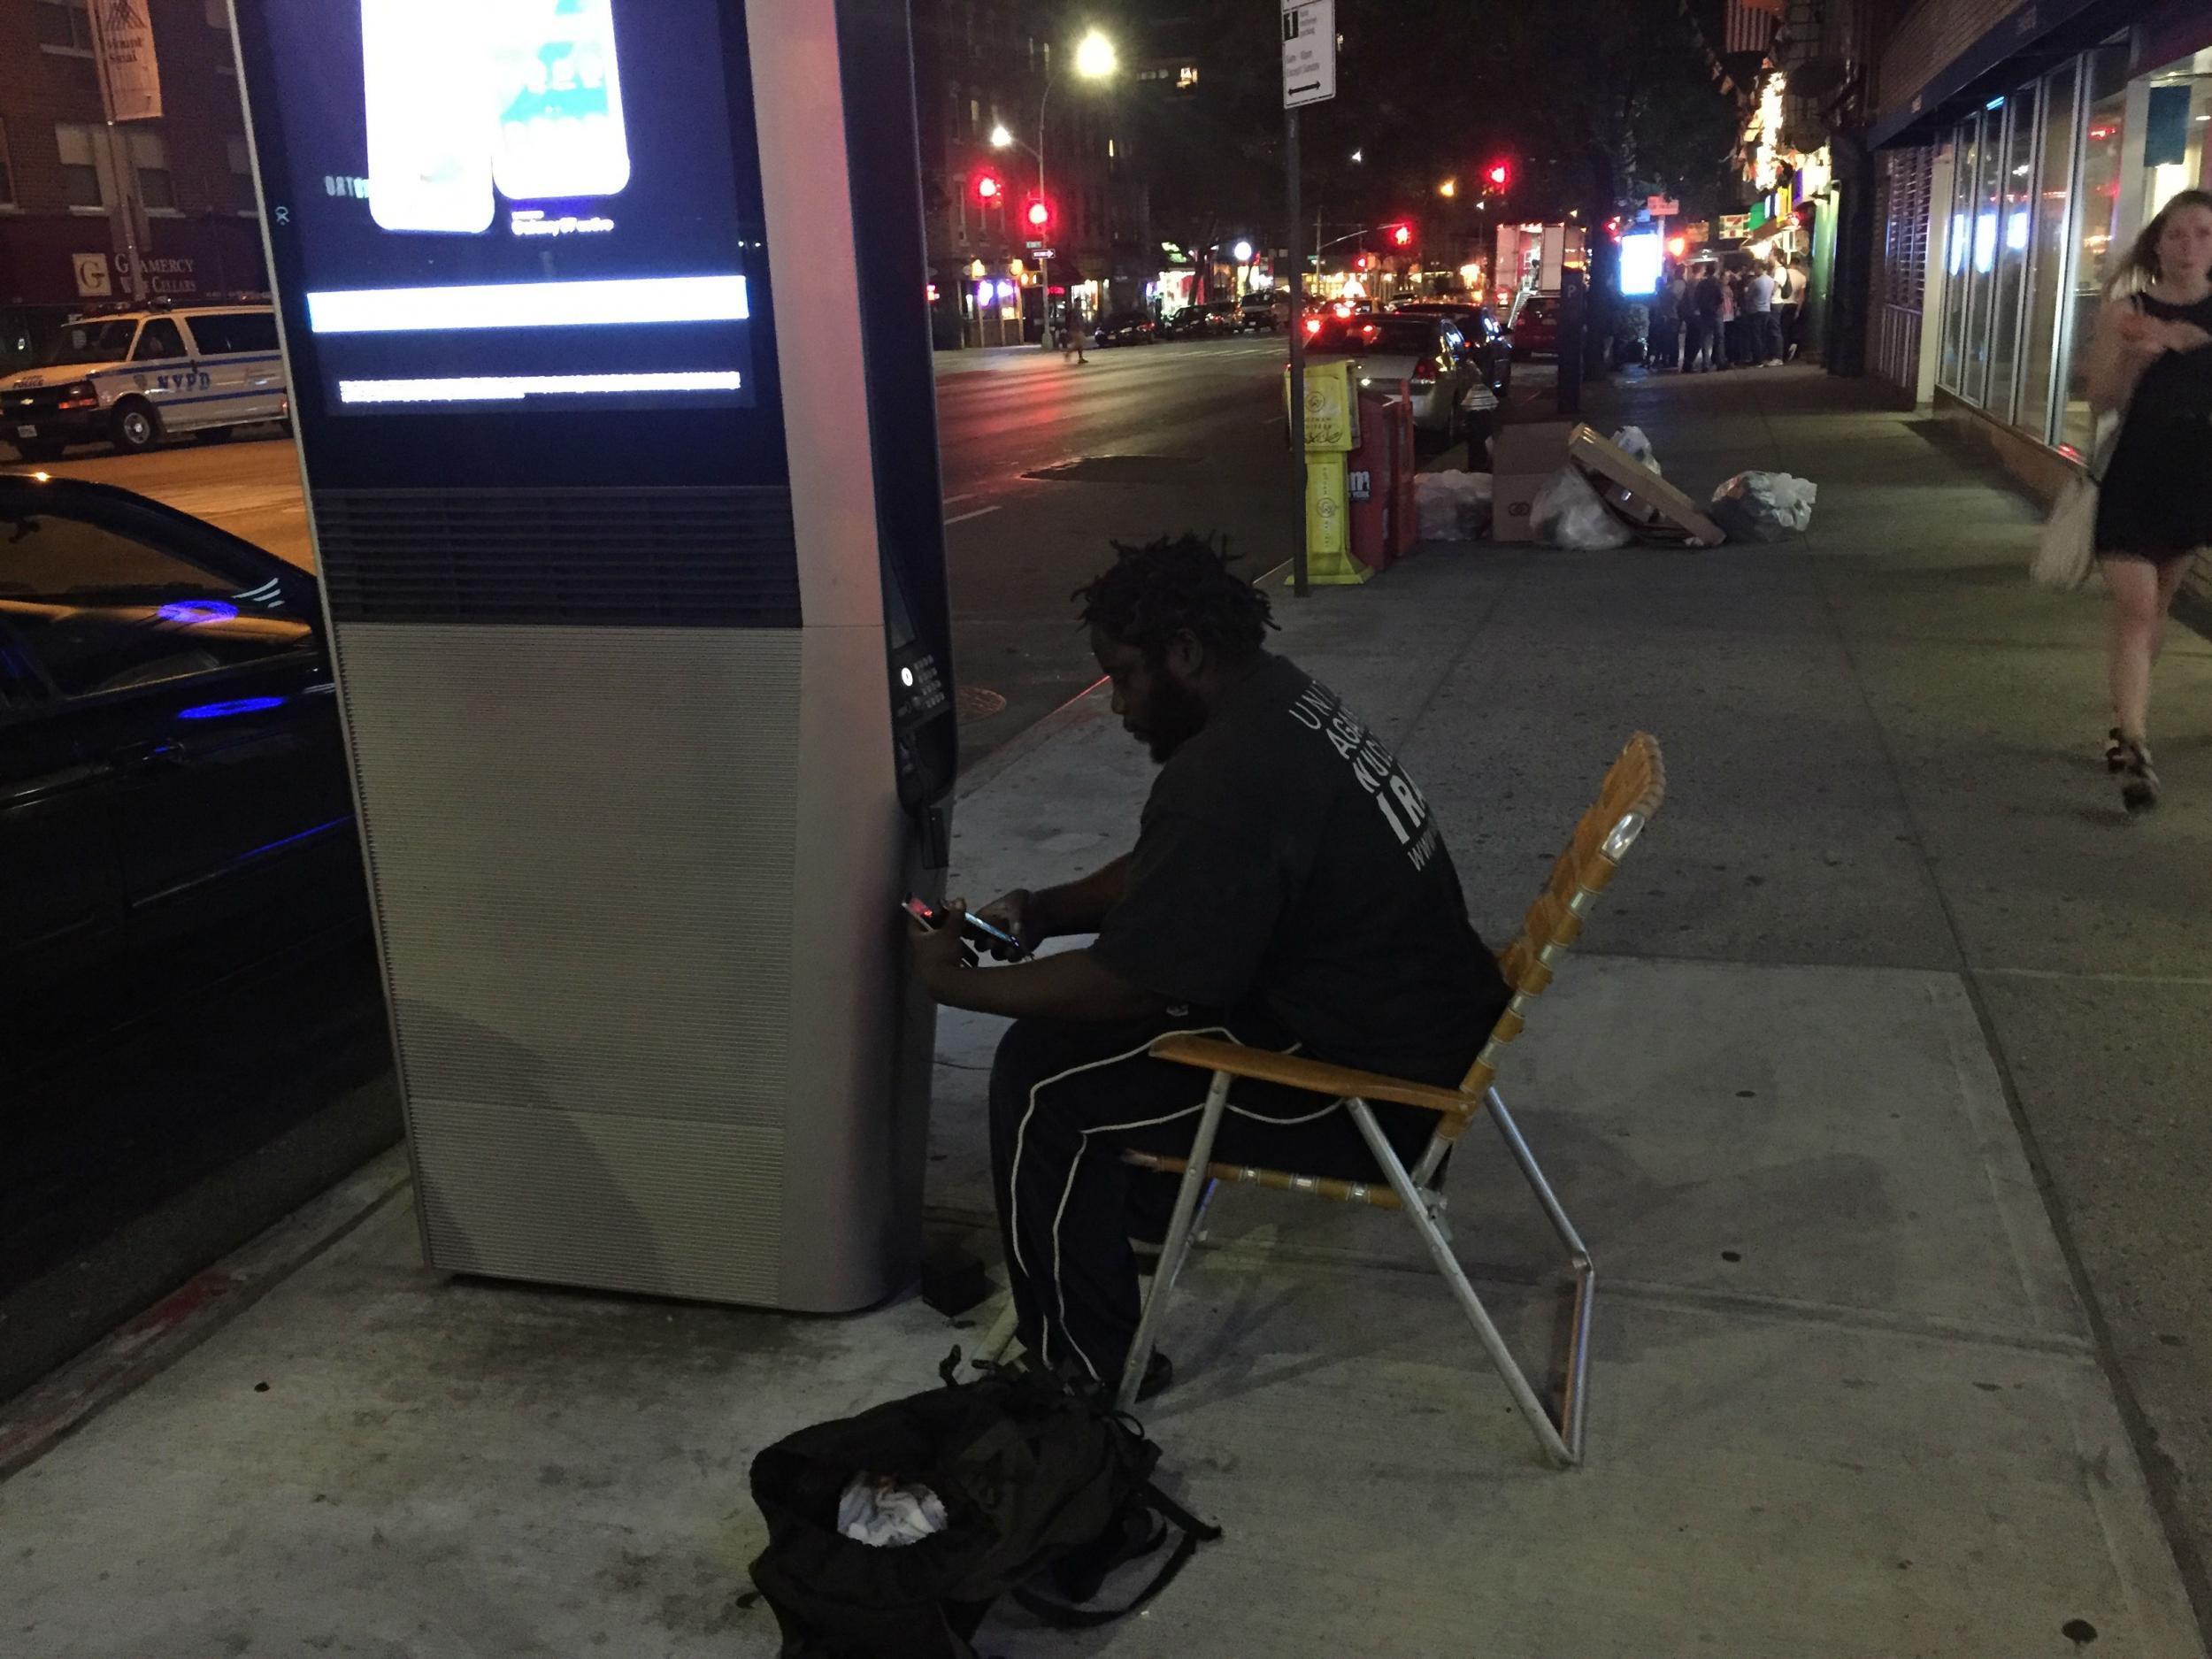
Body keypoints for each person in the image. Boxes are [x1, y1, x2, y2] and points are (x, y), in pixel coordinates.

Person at [910, 535, 1511, 1392]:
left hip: (1370, 1097)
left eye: (1123, 676)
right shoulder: (1280, 701)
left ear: (1184, 653)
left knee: (1045, 1077)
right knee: (1130, 1035)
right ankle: (1143, 1222)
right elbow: (1180, 871)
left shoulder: (1230, 776)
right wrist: (1044, 909)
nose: (1115, 706)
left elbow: (1126, 983)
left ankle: (1082, 1367)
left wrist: (951, 984)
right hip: (1418, 1023)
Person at [2081, 188, 2212, 812]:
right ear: (2158, 242)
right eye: (2179, 234)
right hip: (2135, 469)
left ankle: (2122, 721)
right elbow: (2102, 398)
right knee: (2135, 604)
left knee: (2155, 606)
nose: (2190, 246)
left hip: (2194, 475)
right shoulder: (2124, 311)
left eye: (2204, 234)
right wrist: (2137, 359)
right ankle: (2135, 746)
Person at [1686, 266, 1724, 372]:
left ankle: (1705, 364)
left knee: (1705, 340)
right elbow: (1720, 298)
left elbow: (1696, 298)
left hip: (1705, 314)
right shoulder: (1717, 283)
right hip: (1716, 313)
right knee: (1719, 338)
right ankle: (1720, 362)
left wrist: (1699, 308)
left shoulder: (1702, 284)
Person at [1746, 263, 1782, 365]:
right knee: (1764, 334)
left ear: (1761, 269)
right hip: (1767, 309)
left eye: (1756, 268)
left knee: (1756, 336)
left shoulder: (1756, 282)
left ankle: (1758, 359)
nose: (1754, 271)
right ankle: (1765, 356)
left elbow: (1748, 296)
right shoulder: (1771, 281)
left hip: (1756, 310)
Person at [1648, 270, 1681, 372]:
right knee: (1669, 341)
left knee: (1662, 341)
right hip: (1671, 318)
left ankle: (1662, 360)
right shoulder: (1669, 293)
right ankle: (1667, 360)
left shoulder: (1660, 295)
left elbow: (1658, 307)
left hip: (1664, 320)